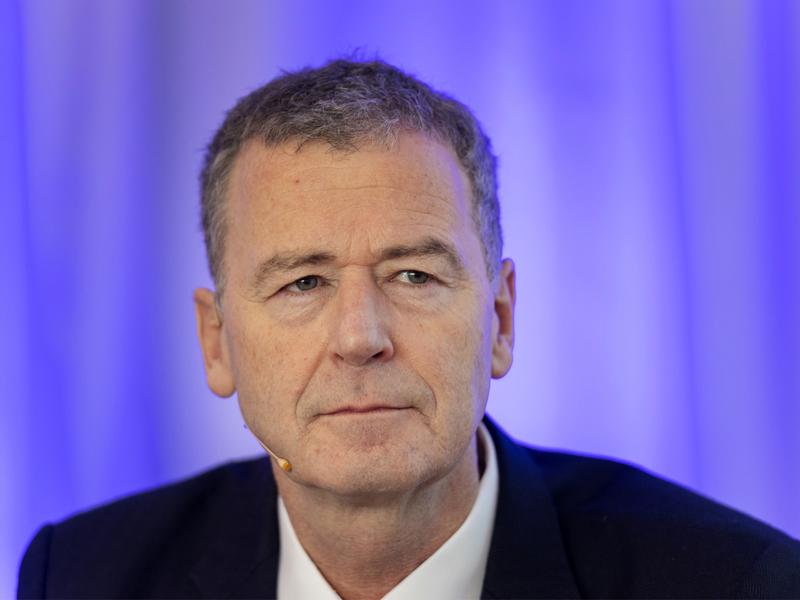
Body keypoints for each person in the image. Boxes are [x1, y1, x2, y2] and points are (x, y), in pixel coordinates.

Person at [18, 58, 800, 600]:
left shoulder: (736, 585)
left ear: (500, 319)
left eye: (414, 275)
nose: (361, 337)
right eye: (303, 282)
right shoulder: (84, 578)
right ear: (216, 342)